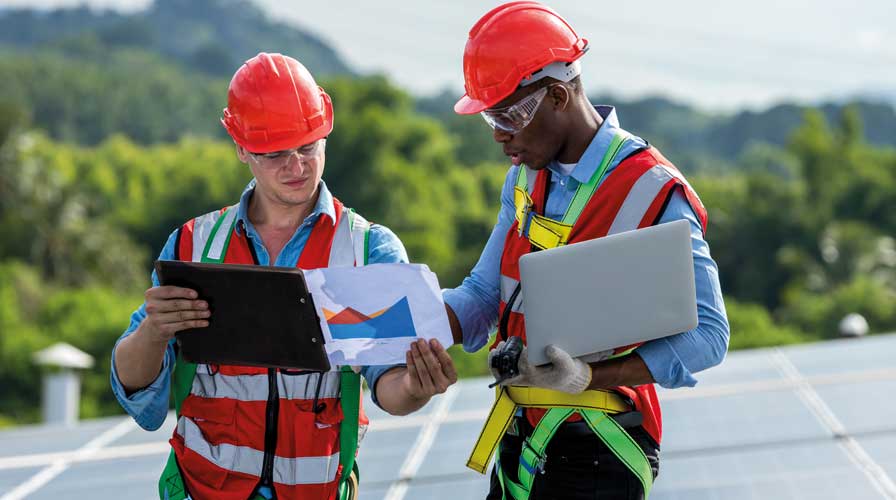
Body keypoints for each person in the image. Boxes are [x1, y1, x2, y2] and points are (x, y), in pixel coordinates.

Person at [110, 52, 458, 500]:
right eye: (274, 154)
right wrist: (155, 332)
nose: (296, 167)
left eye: (308, 147)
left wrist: (415, 385)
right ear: (240, 147)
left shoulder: (368, 250)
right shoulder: (193, 246)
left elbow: (389, 384)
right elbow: (138, 393)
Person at [441, 3, 730, 499]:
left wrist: (594, 375)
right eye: (490, 117)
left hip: (600, 451)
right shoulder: (524, 179)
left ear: (557, 95)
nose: (498, 135)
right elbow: (485, 294)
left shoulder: (652, 190)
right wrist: (405, 326)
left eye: (507, 116)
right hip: (521, 441)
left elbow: (709, 335)